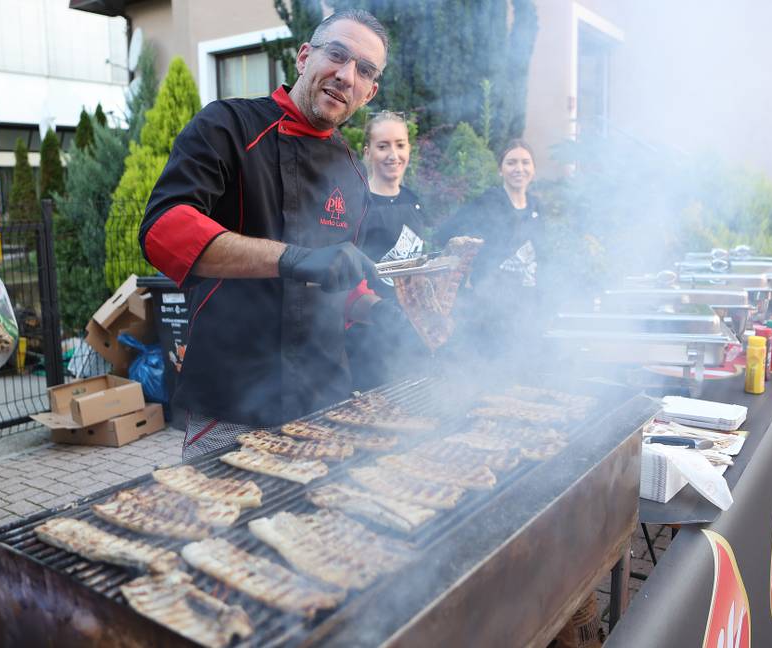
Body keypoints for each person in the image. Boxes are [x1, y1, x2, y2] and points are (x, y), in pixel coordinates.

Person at [138, 10, 392, 459]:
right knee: (213, 523)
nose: (346, 75)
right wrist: (292, 258)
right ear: (304, 57)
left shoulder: (354, 175)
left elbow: (341, 286)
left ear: (370, 91)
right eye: (337, 54)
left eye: (365, 70)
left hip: (322, 403)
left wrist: (383, 311)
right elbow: (164, 230)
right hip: (230, 401)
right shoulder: (228, 126)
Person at [435, 140, 545, 354]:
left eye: (525, 162)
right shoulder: (489, 202)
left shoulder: (537, 207)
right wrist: (468, 258)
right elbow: (444, 234)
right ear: (500, 169)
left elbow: (543, 257)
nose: (519, 169)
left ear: (533, 169)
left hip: (527, 308)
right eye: (511, 162)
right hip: (491, 310)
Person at [346, 111, 427, 389]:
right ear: (367, 152)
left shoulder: (413, 200)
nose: (394, 154)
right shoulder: (356, 203)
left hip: (412, 330)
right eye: (383, 146)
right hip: (368, 335)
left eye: (400, 144)